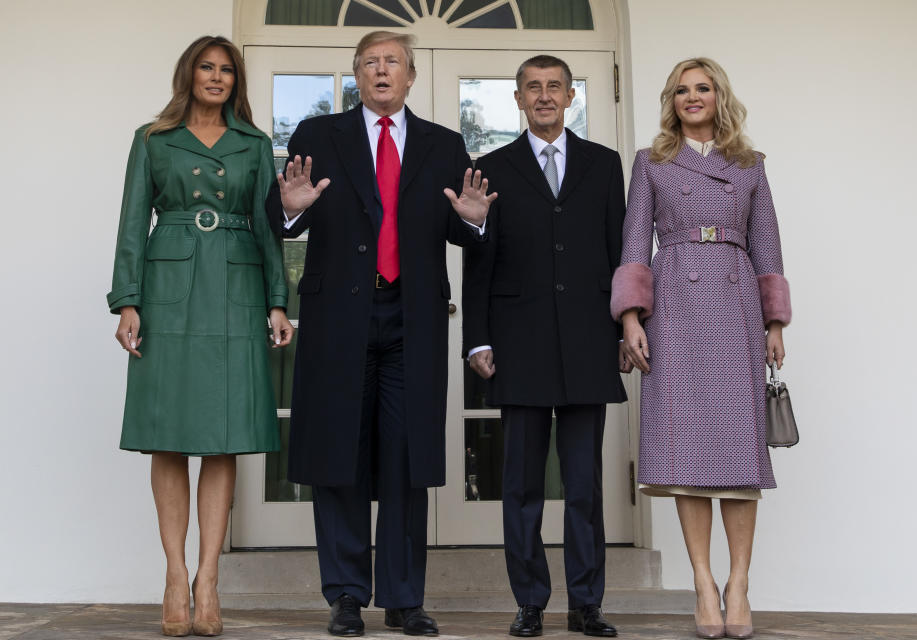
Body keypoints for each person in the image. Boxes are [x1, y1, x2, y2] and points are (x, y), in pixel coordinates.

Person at [264, 31, 495, 637]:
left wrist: (473, 224)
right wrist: (290, 209)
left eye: (393, 62)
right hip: (340, 318)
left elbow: (461, 228)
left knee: (405, 459)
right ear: (356, 75)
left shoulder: (444, 145)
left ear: (412, 76)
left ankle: (402, 598)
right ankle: (344, 595)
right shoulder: (318, 136)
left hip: (412, 319)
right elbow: (285, 216)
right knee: (338, 451)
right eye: (370, 62)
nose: (382, 70)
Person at [108, 35, 292, 637]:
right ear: (189, 75)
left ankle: (208, 578)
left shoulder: (255, 144)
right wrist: (128, 301)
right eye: (207, 68)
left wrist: (277, 300)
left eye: (227, 71)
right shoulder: (152, 139)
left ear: (236, 82)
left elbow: (270, 229)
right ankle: (173, 574)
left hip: (236, 288)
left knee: (223, 437)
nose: (216, 78)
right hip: (168, 290)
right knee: (168, 433)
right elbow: (133, 221)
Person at [610, 58, 791, 640]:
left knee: (738, 456)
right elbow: (636, 238)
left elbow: (767, 244)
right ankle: (703, 582)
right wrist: (631, 317)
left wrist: (775, 322)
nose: (692, 97)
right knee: (689, 457)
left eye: (703, 88)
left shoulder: (751, 166)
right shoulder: (653, 162)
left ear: (719, 96)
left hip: (735, 308)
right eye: (682, 90)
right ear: (672, 99)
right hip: (677, 310)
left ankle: (739, 583)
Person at [462, 55, 627, 638]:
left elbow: (622, 255)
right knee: (522, 485)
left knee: (585, 485)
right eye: (533, 87)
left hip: (588, 339)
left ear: (572, 95)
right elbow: (478, 263)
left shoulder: (605, 166)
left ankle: (587, 604)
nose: (544, 96)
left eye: (554, 86)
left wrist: (625, 326)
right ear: (517, 99)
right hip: (519, 340)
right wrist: (476, 337)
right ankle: (529, 601)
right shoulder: (491, 167)